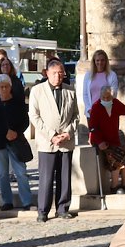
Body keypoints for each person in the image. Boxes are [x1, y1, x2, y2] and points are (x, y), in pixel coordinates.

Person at [28, 59, 79, 222]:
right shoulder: (37, 90)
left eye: (61, 73)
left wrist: (67, 133)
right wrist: (51, 135)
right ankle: (43, 210)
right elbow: (34, 116)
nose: (58, 76)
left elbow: (76, 116)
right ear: (47, 73)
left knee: (64, 177)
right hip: (47, 141)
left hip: (66, 141)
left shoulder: (70, 91)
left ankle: (63, 207)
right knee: (46, 178)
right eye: (55, 73)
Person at [0, 74, 32, 211]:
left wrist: (16, 132)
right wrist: (4, 132)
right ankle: (7, 201)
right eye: (1, 87)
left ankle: (27, 201)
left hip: (16, 141)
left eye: (6, 86)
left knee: (21, 172)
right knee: (2, 174)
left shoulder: (18, 102)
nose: (4, 89)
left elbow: (25, 121)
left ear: (10, 87)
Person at [89, 85, 125, 194]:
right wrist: (99, 142)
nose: (105, 100)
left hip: (114, 141)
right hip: (101, 141)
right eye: (103, 97)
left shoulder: (116, 104)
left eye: (108, 98)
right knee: (117, 160)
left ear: (112, 97)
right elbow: (93, 128)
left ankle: (124, 185)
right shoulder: (96, 107)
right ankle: (114, 187)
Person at [80, 49, 119, 118]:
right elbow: (85, 94)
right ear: (94, 61)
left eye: (102, 60)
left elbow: (114, 94)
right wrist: (89, 109)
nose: (100, 62)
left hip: (106, 112)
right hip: (91, 113)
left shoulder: (112, 75)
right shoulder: (88, 75)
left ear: (106, 61)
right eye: (97, 60)